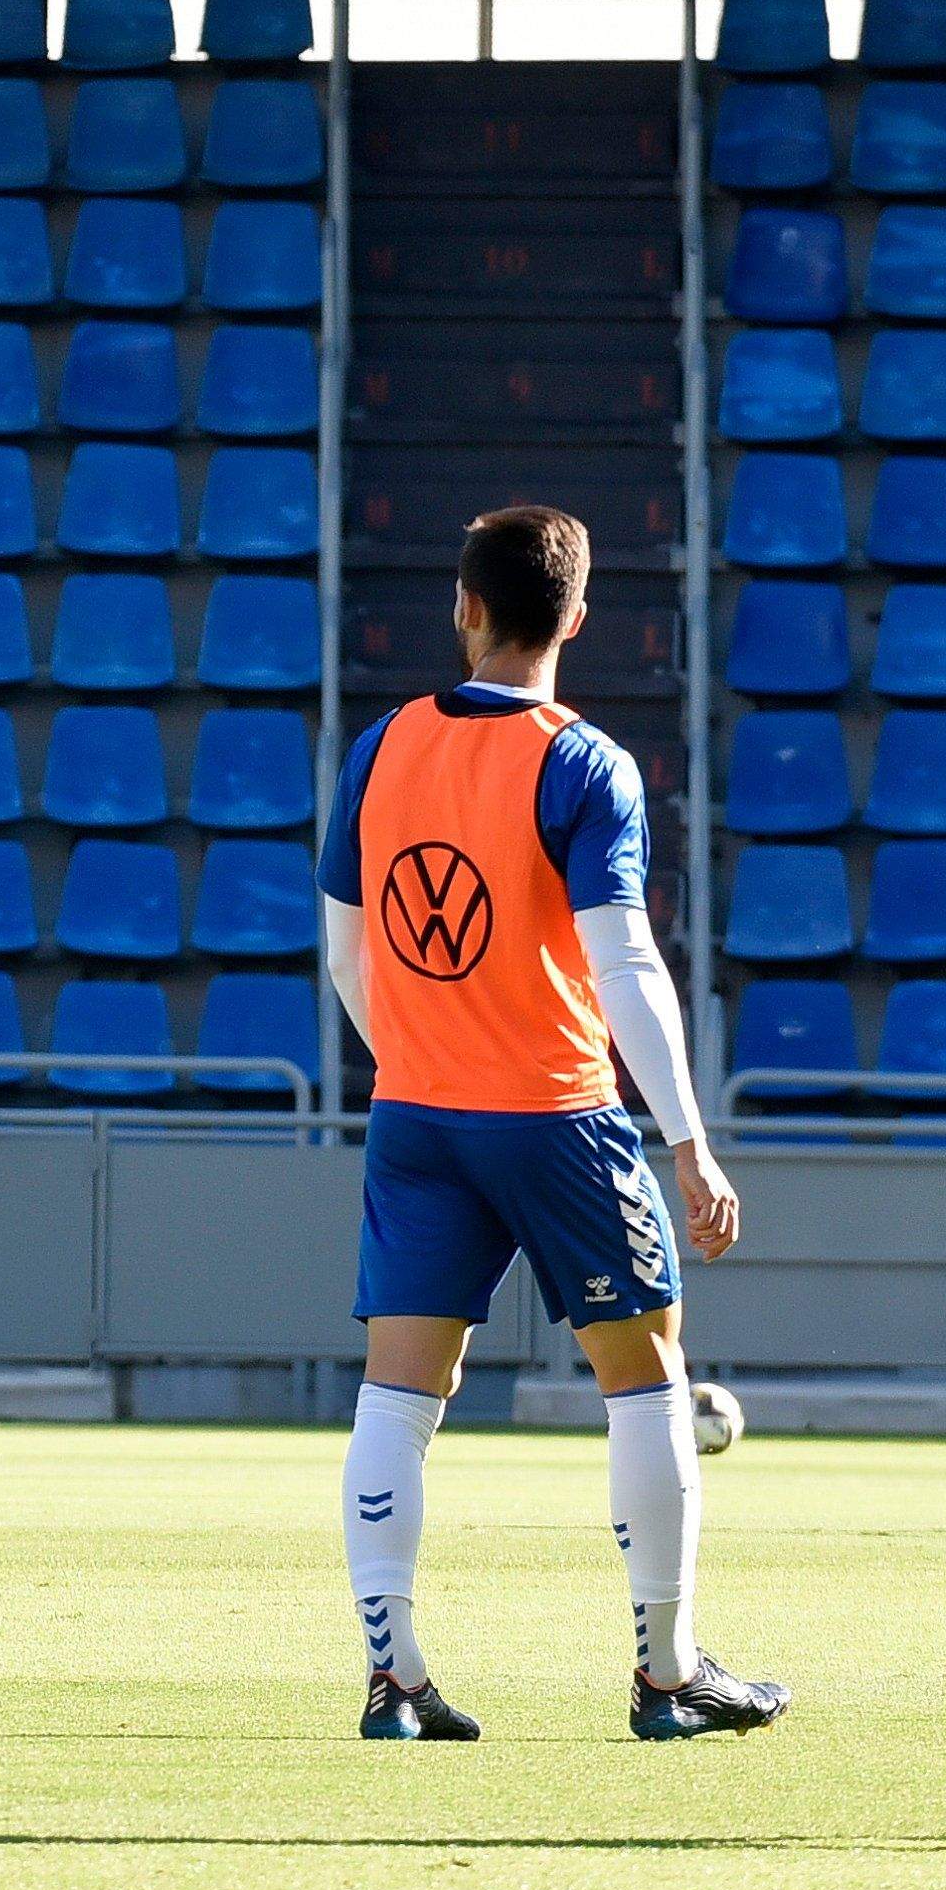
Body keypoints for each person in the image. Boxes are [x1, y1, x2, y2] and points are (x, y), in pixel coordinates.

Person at [316, 505, 786, 1743]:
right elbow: (624, 961)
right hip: (556, 1113)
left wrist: (417, 1053)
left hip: (416, 1115)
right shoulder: (585, 764)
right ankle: (667, 1673)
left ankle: (393, 1679)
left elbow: (346, 951)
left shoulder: (380, 748)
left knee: (397, 1394)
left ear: (462, 610)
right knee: (644, 1376)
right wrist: (686, 1137)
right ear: (576, 620)